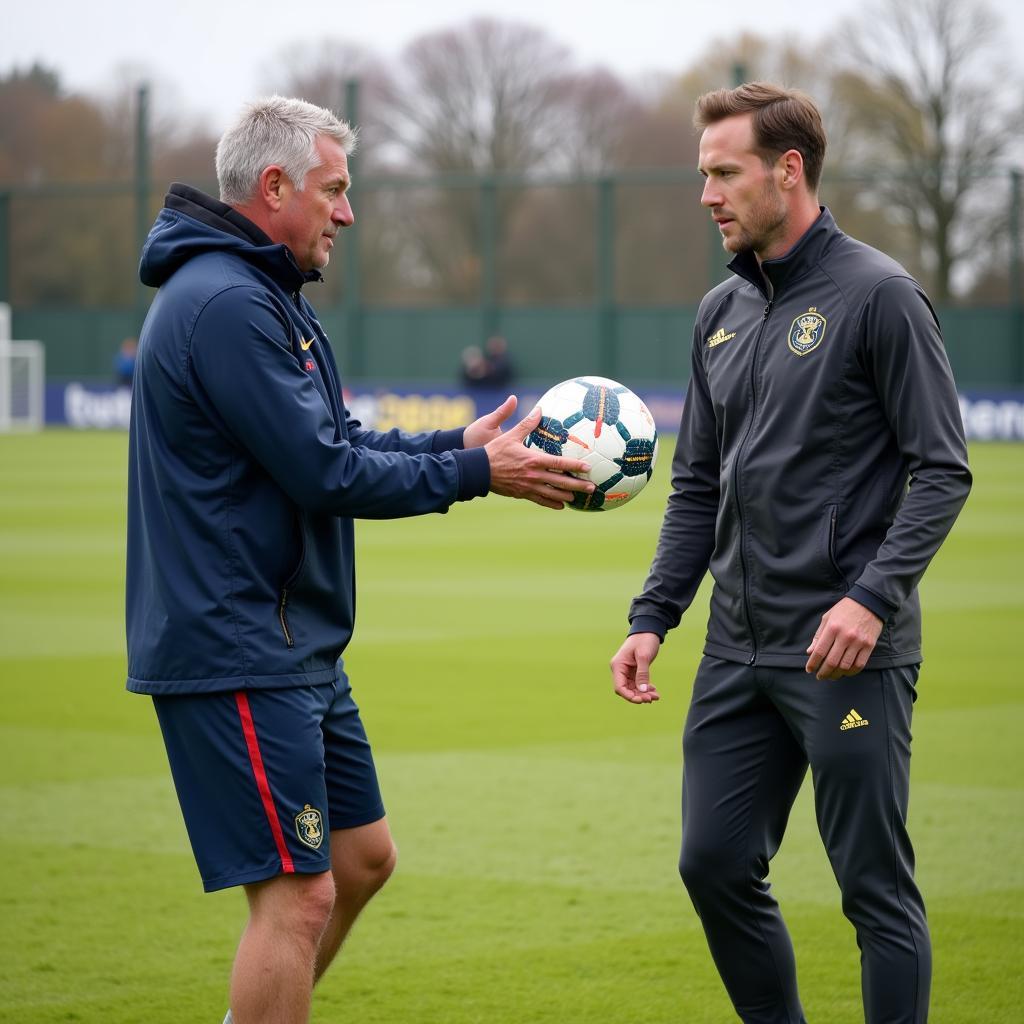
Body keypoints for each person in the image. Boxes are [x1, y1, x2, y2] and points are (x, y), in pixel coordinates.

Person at [125, 96, 595, 1024]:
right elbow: (323, 471)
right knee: (296, 898)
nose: (348, 213)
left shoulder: (264, 296)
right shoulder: (225, 302)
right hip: (239, 644)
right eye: (335, 191)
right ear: (275, 188)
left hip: (291, 642)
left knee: (360, 859)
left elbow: (334, 438)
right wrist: (474, 473)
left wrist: (457, 442)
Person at [609, 82, 971, 1024]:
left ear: (789, 171)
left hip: (847, 649)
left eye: (724, 173)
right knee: (713, 863)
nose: (707, 195)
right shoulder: (718, 312)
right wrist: (655, 616)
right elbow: (696, 486)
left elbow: (942, 470)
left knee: (872, 890)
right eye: (703, 175)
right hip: (738, 646)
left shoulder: (881, 297)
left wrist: (872, 599)